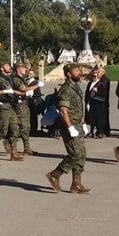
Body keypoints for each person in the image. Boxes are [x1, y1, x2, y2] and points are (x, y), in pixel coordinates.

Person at [46, 64, 90, 193]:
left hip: (77, 124)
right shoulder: (66, 89)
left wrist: (83, 123)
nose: (80, 72)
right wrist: (70, 127)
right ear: (69, 74)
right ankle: (55, 174)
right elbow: (63, 111)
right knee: (75, 154)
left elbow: (77, 108)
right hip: (69, 125)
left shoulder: (75, 87)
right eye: (76, 70)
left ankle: (76, 183)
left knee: (81, 155)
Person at [0, 63, 23, 160]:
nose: (9, 67)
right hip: (3, 106)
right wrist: (22, 93)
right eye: (7, 66)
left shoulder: (10, 78)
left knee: (15, 129)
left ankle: (13, 153)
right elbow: (10, 90)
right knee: (3, 131)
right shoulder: (0, 79)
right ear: (2, 68)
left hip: (11, 106)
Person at [85, 66, 110, 138]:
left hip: (99, 102)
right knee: (91, 117)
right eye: (93, 76)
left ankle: (101, 132)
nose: (94, 77)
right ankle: (91, 132)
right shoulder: (90, 83)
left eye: (96, 75)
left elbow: (104, 93)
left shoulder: (103, 82)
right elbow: (87, 92)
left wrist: (97, 91)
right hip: (91, 102)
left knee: (99, 118)